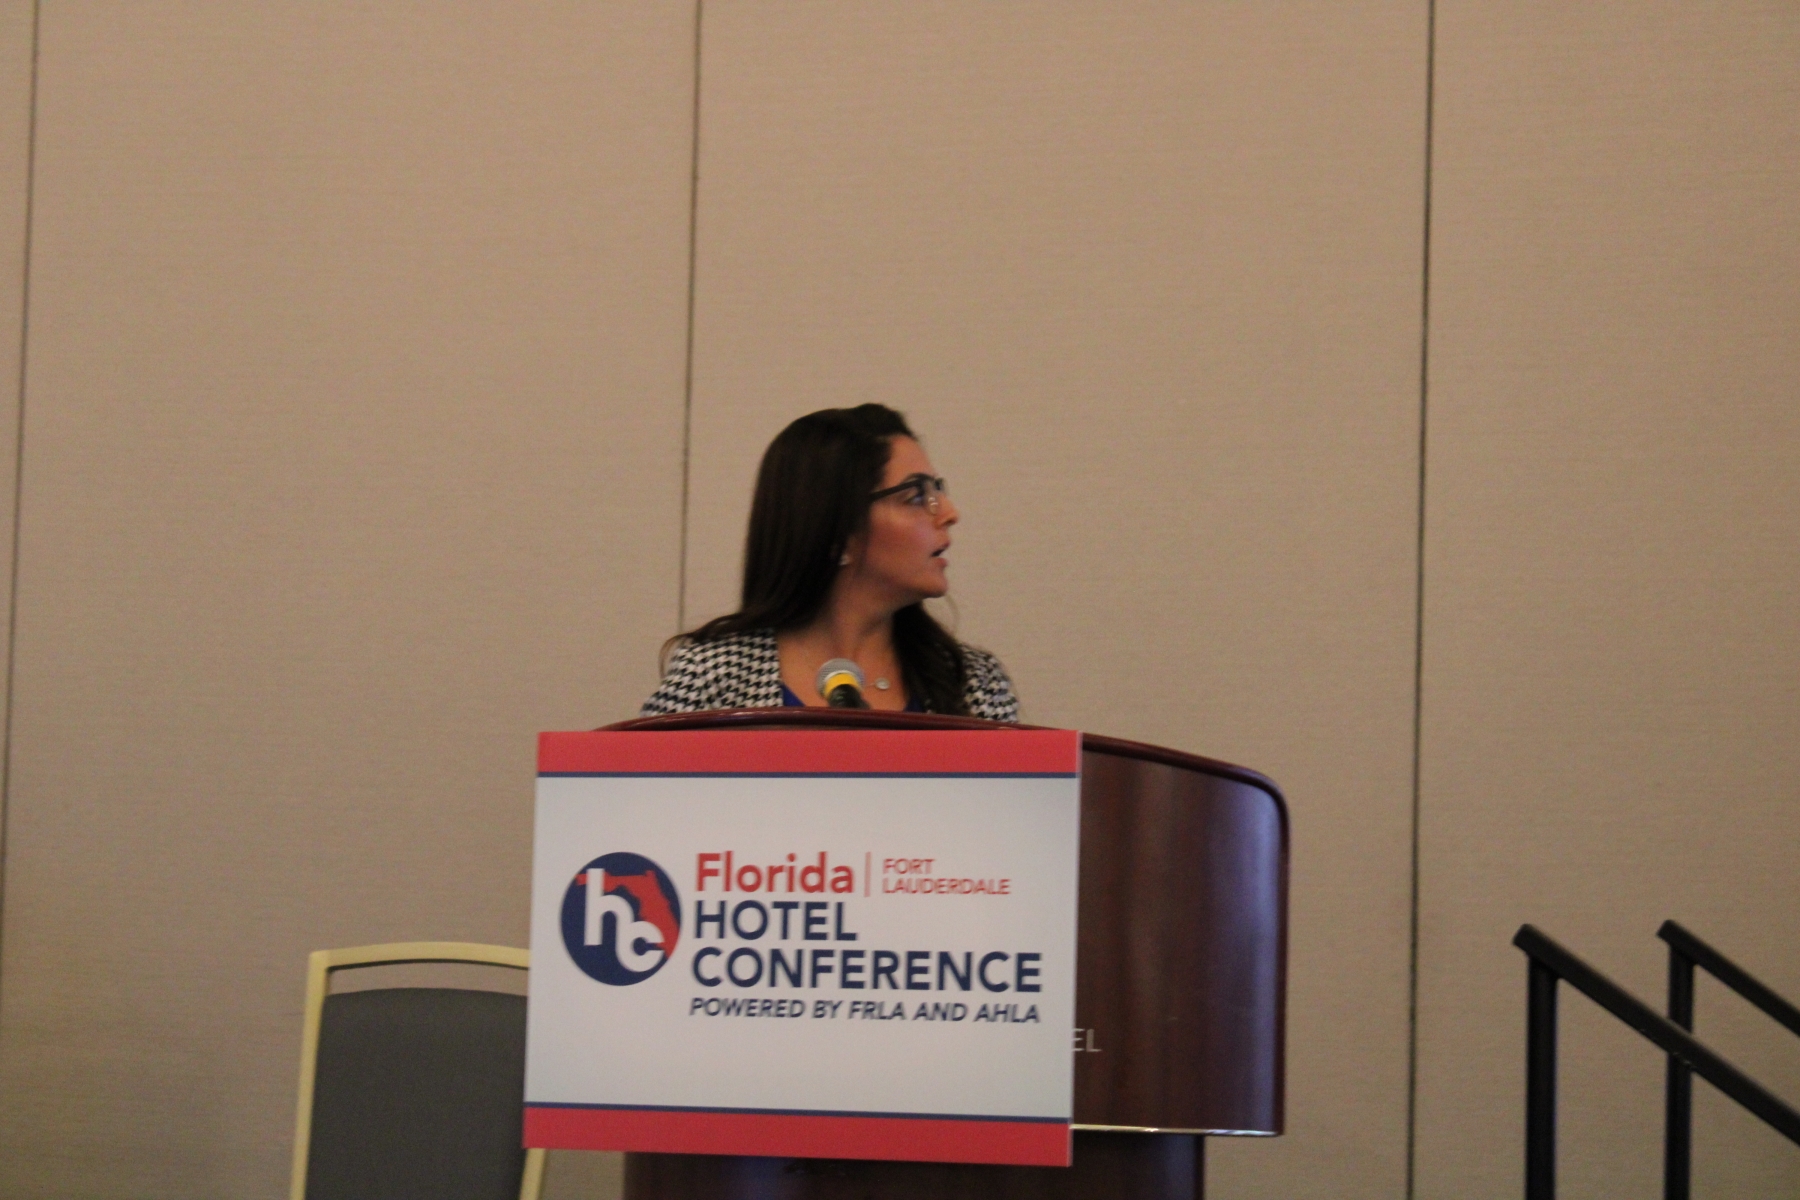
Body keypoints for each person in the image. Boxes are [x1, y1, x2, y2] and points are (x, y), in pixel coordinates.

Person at [641, 404, 1018, 720]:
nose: (950, 513)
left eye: (938, 491)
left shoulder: (973, 683)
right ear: (839, 533)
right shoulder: (713, 678)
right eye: (916, 497)